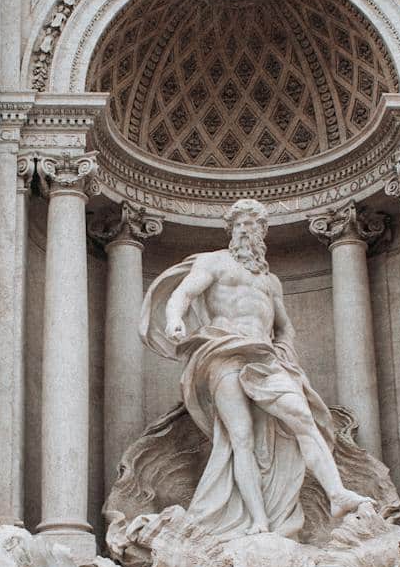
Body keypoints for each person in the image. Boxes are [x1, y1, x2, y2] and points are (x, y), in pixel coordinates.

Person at [139, 198, 372, 540]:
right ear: (231, 231)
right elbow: (182, 295)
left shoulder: (270, 281)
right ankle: (258, 521)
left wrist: (285, 354)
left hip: (264, 357)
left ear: (263, 232)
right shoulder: (214, 262)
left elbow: (284, 327)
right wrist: (175, 320)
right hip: (223, 351)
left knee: (303, 417)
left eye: (254, 225)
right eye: (240, 224)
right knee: (241, 437)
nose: (247, 230)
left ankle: (336, 494)